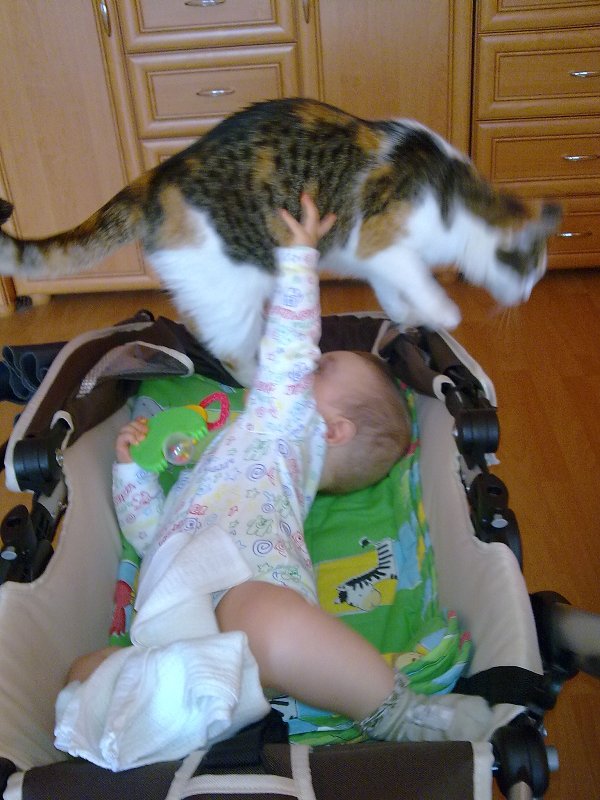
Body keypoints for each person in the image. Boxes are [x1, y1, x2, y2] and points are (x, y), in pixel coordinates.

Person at [68, 194, 494, 744]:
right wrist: (133, 474)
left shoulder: (286, 434)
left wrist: (298, 261)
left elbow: (289, 352)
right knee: (82, 674)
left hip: (245, 589)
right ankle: (177, 721)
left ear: (331, 430)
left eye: (321, 368)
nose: (305, 365)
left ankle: (396, 711)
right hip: (169, 615)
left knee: (273, 625)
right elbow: (148, 535)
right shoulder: (222, 451)